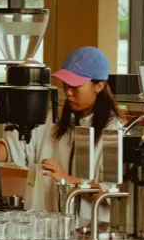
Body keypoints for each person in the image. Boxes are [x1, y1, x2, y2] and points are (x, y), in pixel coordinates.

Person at [25, 45, 120, 214]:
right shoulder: (54, 119)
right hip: (57, 224)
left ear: (99, 86)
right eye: (65, 85)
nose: (68, 92)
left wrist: (66, 179)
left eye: (75, 86)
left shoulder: (113, 130)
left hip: (94, 229)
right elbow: (18, 147)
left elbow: (109, 193)